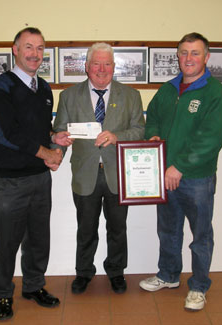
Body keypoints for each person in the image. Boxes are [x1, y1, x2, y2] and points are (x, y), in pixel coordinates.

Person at [0, 27, 71, 321]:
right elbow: (6, 135)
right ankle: (3, 295)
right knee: (7, 242)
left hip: (40, 180)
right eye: (28, 47)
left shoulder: (44, 89)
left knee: (38, 240)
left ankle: (34, 286)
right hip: (10, 183)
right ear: (15, 50)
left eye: (40, 48)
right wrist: (47, 153)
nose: (35, 54)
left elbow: (38, 130)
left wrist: (53, 139)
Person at [139, 32, 222, 311]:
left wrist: (179, 167)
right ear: (177, 56)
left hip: (197, 179)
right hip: (165, 176)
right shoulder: (167, 89)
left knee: (200, 236)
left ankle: (199, 286)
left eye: (195, 53)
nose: (188, 58)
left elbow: (210, 138)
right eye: (183, 52)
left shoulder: (215, 94)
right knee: (168, 230)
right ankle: (168, 275)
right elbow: (152, 117)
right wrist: (153, 137)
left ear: (206, 57)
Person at [53, 42, 145, 294]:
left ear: (114, 67)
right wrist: (56, 151)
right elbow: (60, 131)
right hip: (85, 175)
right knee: (86, 228)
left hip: (119, 174)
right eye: (96, 63)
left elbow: (140, 130)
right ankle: (84, 272)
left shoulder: (131, 95)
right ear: (87, 67)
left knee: (117, 228)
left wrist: (117, 136)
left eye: (107, 64)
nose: (101, 69)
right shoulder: (69, 96)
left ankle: (116, 272)